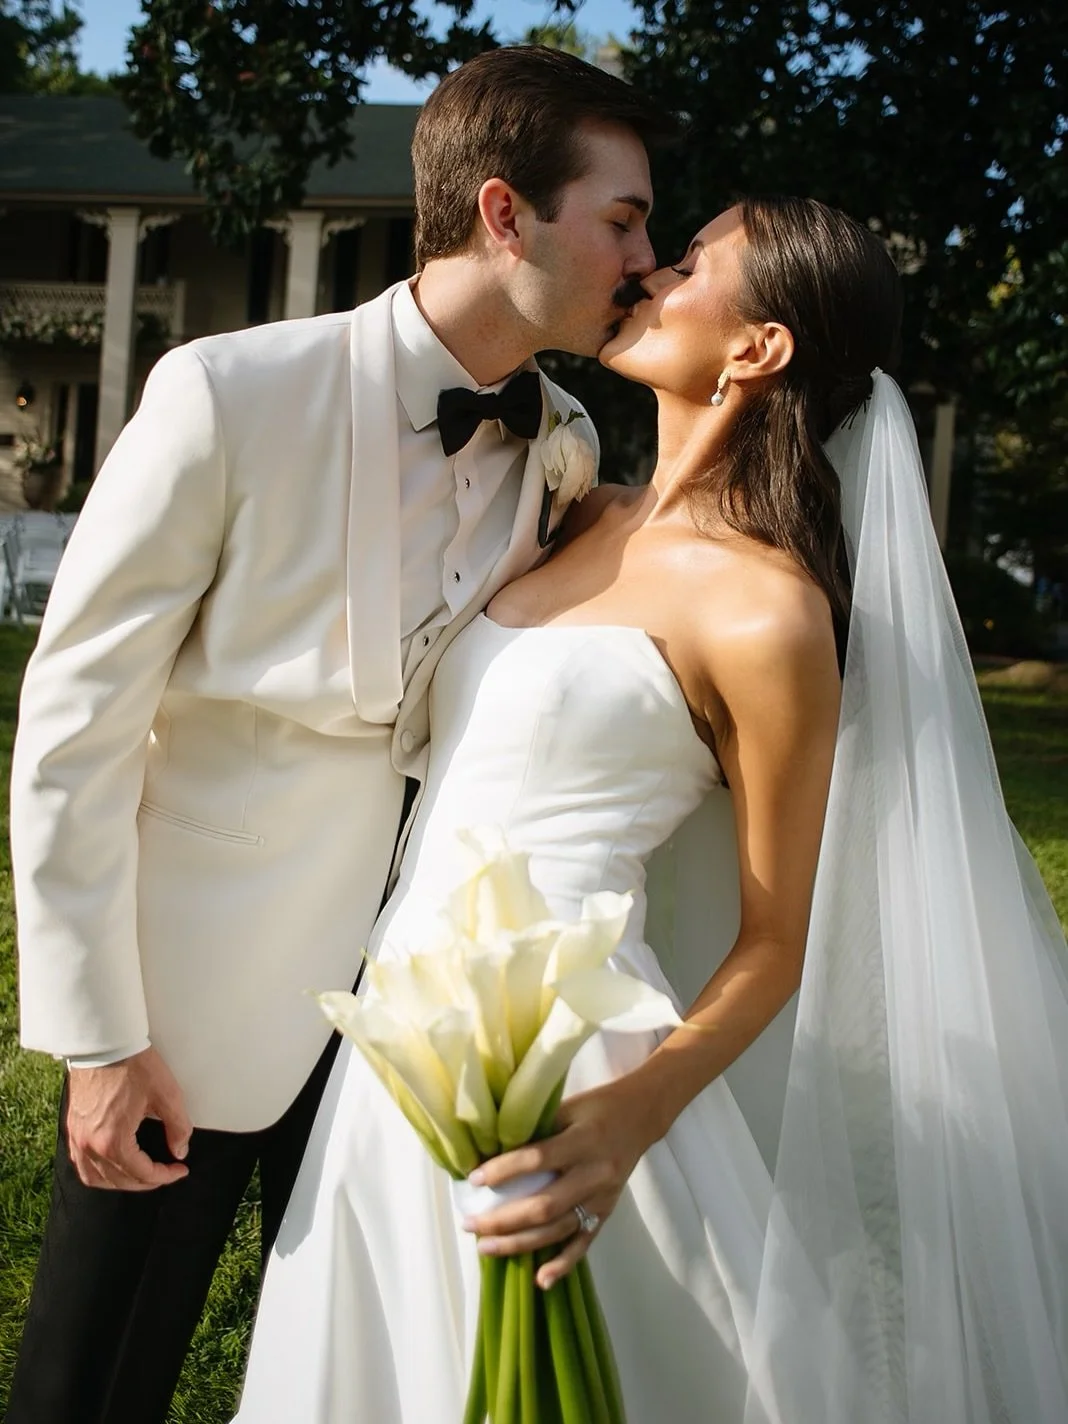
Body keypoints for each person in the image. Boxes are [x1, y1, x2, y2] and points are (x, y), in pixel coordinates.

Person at [234, 196, 1068, 1423]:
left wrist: (633, 1108)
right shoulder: (569, 505)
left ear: (756, 349)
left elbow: (779, 940)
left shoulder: (769, 615)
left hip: (579, 1052)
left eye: (685, 264)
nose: (645, 275)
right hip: (404, 1024)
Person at [7, 46, 675, 1424]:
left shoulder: (557, 442)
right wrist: (95, 1034)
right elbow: (75, 717)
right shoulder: (226, 394)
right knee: (93, 1382)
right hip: (187, 1002)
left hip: (412, 1021)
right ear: (506, 214)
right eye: (624, 217)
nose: (647, 258)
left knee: (360, 1370)